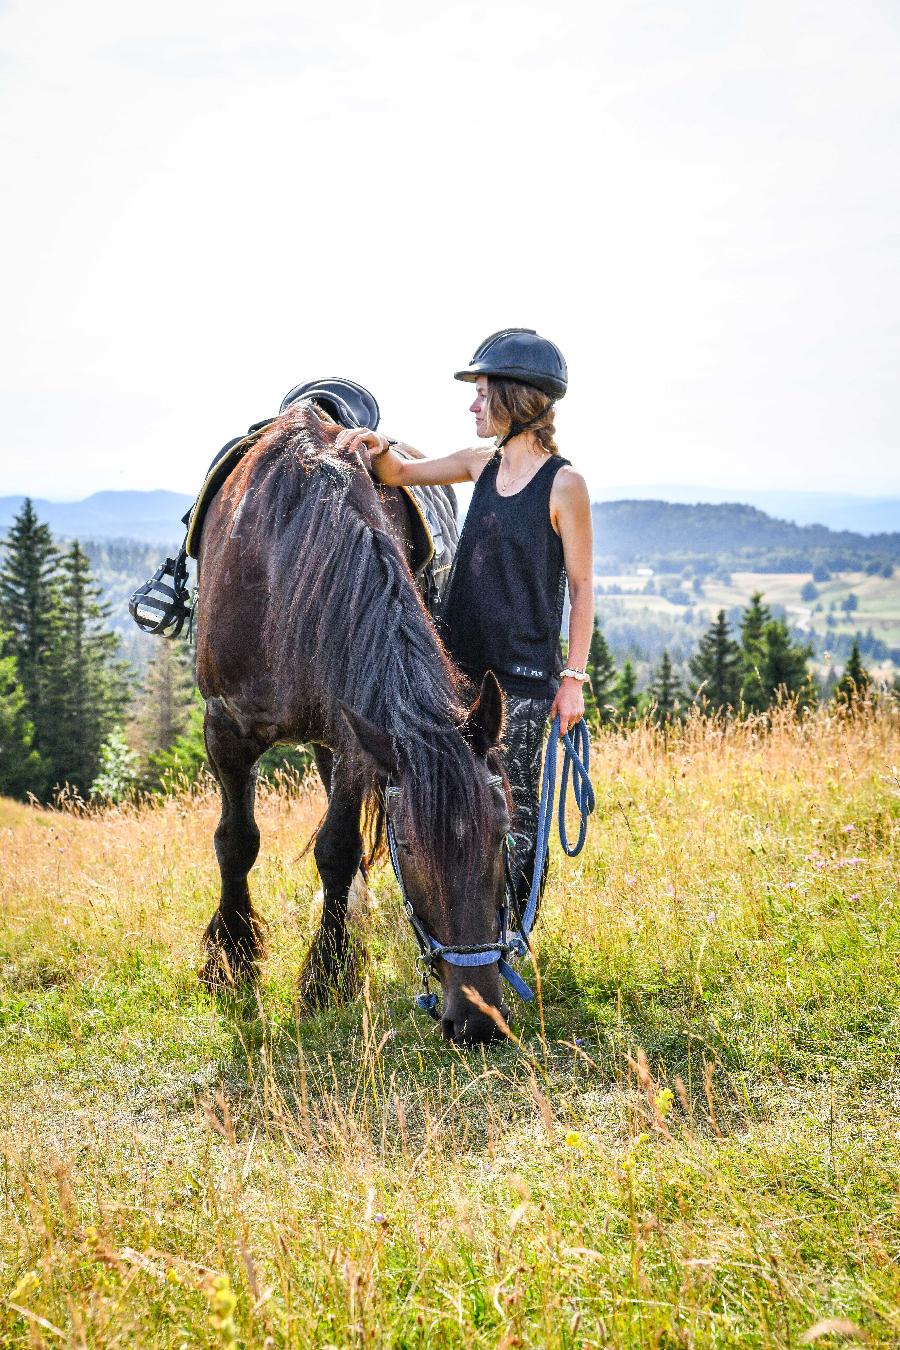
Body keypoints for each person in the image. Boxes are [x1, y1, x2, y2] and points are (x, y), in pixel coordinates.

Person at [335, 328, 594, 914]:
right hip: (457, 672)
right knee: (449, 806)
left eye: (482, 393)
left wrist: (573, 681)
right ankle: (454, 931)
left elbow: (581, 587)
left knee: (516, 817)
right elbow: (397, 475)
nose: (472, 405)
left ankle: (510, 938)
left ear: (516, 397)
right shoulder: (480, 463)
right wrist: (373, 445)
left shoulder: (566, 485)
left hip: (524, 683)